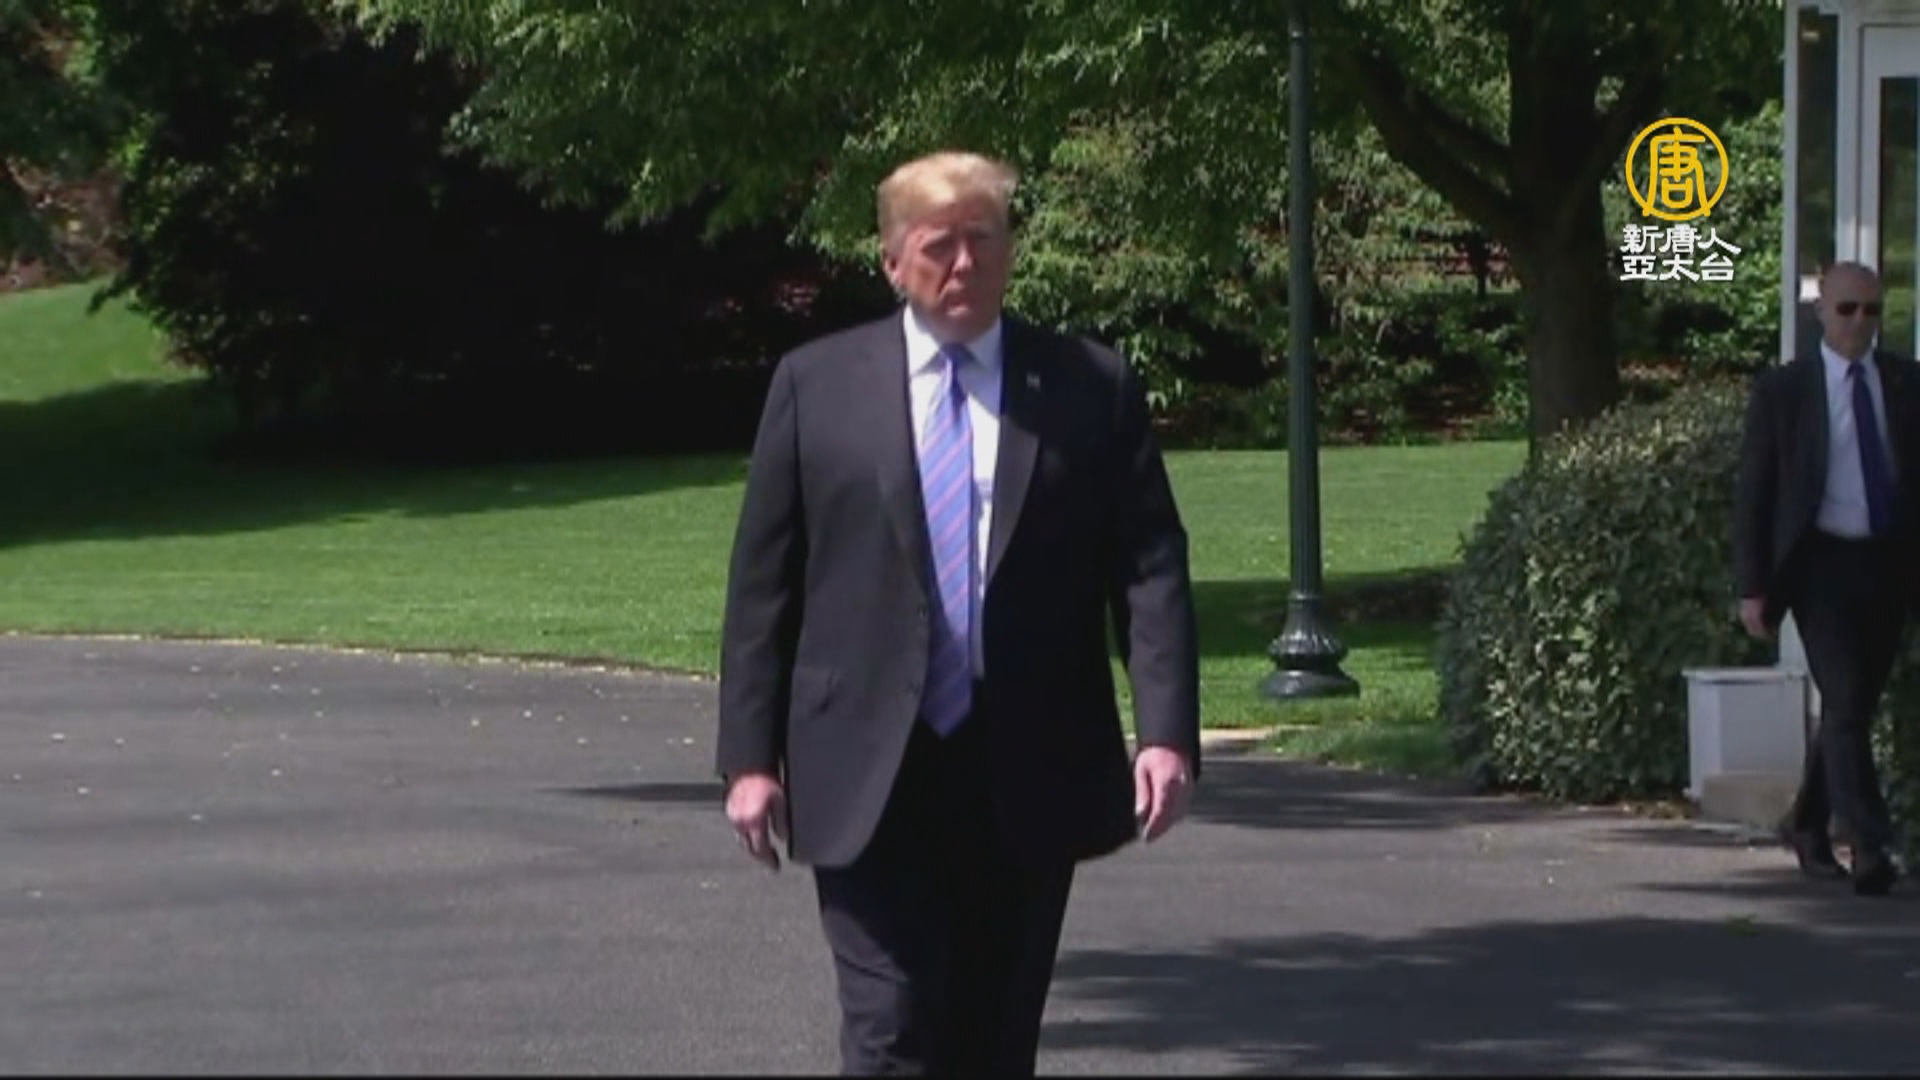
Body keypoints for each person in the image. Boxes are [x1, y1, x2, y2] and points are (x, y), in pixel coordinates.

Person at [714, 150, 1202, 1074]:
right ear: (893, 261)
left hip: (1026, 761)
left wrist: (1167, 733)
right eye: (940, 246)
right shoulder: (817, 385)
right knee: (890, 1028)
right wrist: (749, 758)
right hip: (864, 762)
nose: (965, 263)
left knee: (992, 1039)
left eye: (984, 240)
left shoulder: (1087, 386)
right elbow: (764, 584)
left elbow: (1148, 566)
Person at [1733, 260, 1918, 897]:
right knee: (1844, 698)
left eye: (1871, 310)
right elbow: (1755, 491)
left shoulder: (1906, 383)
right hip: (1818, 567)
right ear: (1820, 312)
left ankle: (1808, 825)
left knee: (1850, 706)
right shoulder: (1785, 391)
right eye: (1847, 309)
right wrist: (1752, 585)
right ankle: (1870, 843)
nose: (1860, 323)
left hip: (1887, 561)